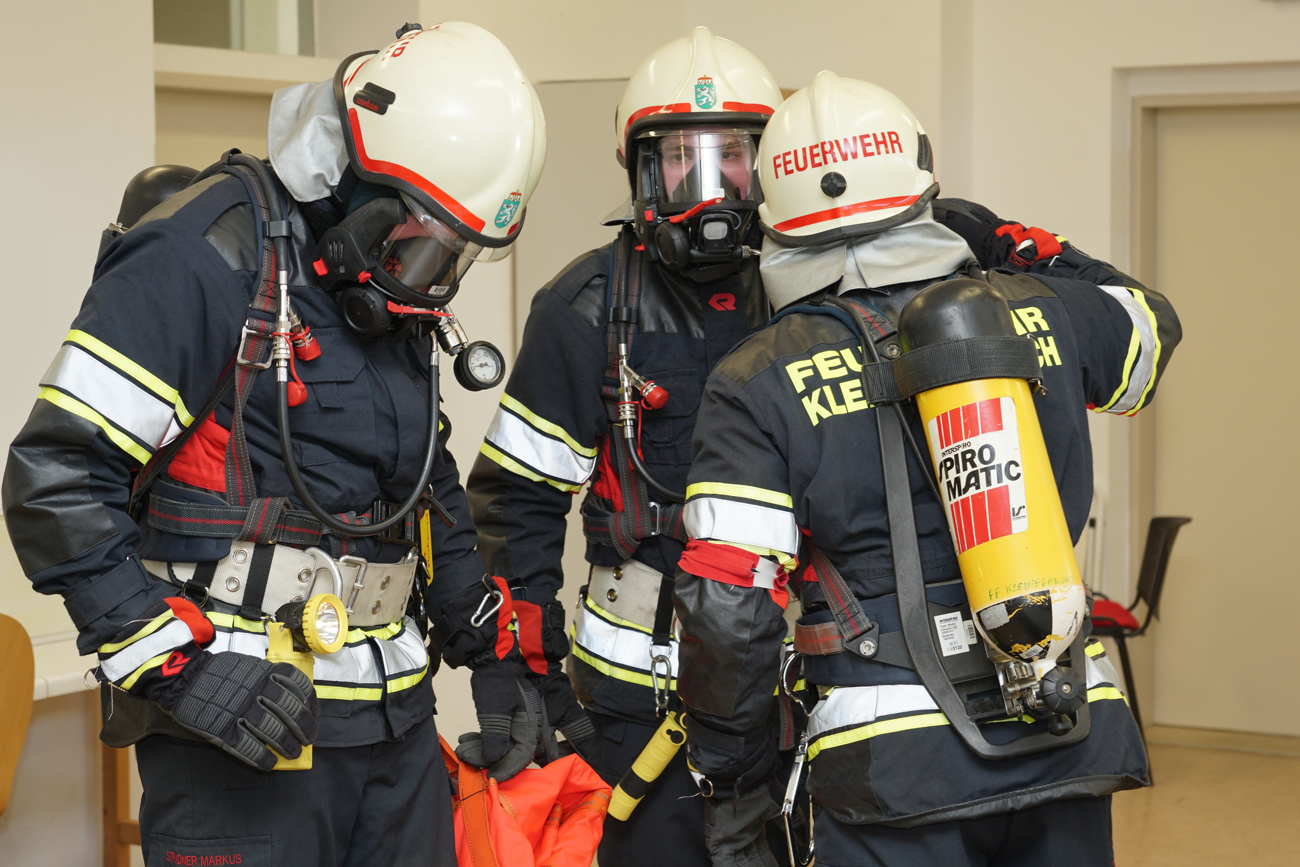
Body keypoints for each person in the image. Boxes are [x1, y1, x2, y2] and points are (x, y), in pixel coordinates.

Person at [2, 22, 546, 867]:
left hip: (396, 729)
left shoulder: (381, 285)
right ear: (363, 185)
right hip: (238, 730)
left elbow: (423, 481)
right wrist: (178, 670)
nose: (430, 280)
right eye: (422, 244)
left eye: (456, 257)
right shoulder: (203, 251)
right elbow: (56, 477)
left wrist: (491, 657)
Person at [672, 71, 1179, 867]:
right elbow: (1148, 332)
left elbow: (730, 607)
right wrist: (1005, 237)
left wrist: (734, 781)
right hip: (1063, 725)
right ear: (922, 184)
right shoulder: (1039, 306)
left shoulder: (755, 376)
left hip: (890, 760)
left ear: (771, 215)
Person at [466, 26, 784, 867]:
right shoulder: (584, 308)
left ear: (768, 163)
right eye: (682, 156)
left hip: (789, 694)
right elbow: (516, 504)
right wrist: (527, 675)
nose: (710, 182)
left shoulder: (802, 294)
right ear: (643, 171)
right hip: (635, 702)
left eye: (733, 154)